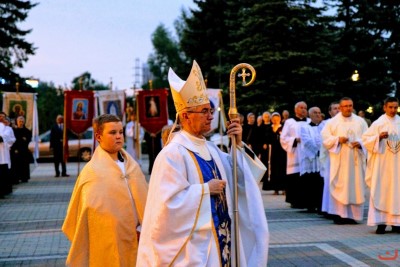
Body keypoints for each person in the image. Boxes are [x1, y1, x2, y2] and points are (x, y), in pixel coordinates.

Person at [137, 60, 269, 266]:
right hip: (195, 251)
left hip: (221, 241)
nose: (210, 117)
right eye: (204, 112)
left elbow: (242, 178)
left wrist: (238, 144)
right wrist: (205, 190)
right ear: (186, 116)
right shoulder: (172, 154)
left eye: (211, 111)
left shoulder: (211, 149)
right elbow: (165, 208)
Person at [62, 114, 148, 266]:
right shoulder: (92, 171)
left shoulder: (132, 166)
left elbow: (146, 201)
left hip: (140, 236)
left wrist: (142, 226)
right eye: (112, 133)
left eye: (121, 132)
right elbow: (88, 213)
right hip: (109, 239)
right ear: (98, 136)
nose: (119, 137)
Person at [321, 97, 368, 224]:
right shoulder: (332, 122)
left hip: (355, 160)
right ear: (340, 108)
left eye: (350, 105)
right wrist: (337, 140)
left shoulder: (360, 122)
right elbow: (325, 139)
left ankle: (353, 216)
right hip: (339, 160)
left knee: (355, 186)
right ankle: (339, 215)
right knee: (340, 186)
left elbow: (368, 138)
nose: (348, 108)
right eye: (345, 106)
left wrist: (360, 143)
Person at [361, 97, 400, 234]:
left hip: (397, 165)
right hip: (382, 165)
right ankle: (381, 223)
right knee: (382, 190)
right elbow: (365, 140)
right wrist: (378, 137)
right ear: (385, 107)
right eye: (390, 107)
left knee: (397, 192)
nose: (393, 110)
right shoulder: (378, 123)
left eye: (395, 107)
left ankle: (396, 223)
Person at [280, 101, 309, 208]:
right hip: (295, 153)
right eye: (301, 107)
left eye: (305, 108)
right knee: (295, 177)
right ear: (295, 109)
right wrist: (294, 140)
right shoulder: (289, 122)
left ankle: (306, 200)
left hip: (307, 154)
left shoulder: (310, 121)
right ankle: (294, 200)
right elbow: (283, 138)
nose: (303, 110)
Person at [299, 106, 324, 212]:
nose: (318, 114)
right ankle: (310, 205)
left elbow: (326, 140)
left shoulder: (325, 127)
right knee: (310, 181)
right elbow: (306, 141)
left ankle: (320, 204)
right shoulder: (305, 127)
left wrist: (323, 151)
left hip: (321, 159)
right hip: (310, 158)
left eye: (319, 112)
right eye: (315, 113)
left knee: (320, 181)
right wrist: (317, 151)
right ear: (310, 115)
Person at [320, 101, 340, 218]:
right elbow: (324, 139)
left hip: (343, 157)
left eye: (338, 108)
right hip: (330, 157)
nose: (337, 110)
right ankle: (329, 209)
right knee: (329, 182)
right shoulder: (326, 123)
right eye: (334, 109)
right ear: (329, 111)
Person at [263, 112, 286, 194]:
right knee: (274, 169)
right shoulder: (270, 128)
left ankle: (283, 188)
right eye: (274, 119)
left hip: (282, 151)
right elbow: (266, 138)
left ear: (280, 119)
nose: (275, 120)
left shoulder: (283, 128)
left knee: (282, 169)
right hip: (273, 151)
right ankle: (276, 189)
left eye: (277, 119)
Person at [11, 116, 32, 184]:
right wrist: (22, 139)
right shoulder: (14, 130)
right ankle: (17, 178)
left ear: (24, 122)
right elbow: (13, 141)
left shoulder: (27, 131)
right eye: (20, 121)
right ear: (17, 122)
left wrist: (24, 140)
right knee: (17, 165)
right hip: (16, 150)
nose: (21, 122)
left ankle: (24, 177)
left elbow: (28, 140)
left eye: (22, 121)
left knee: (25, 165)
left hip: (24, 150)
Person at [0, 112, 16, 198]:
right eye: (0, 116)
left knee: (2, 174)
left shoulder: (8, 128)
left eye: (3, 117)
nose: (1, 118)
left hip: (3, 154)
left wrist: (2, 138)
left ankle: (2, 192)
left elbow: (10, 139)